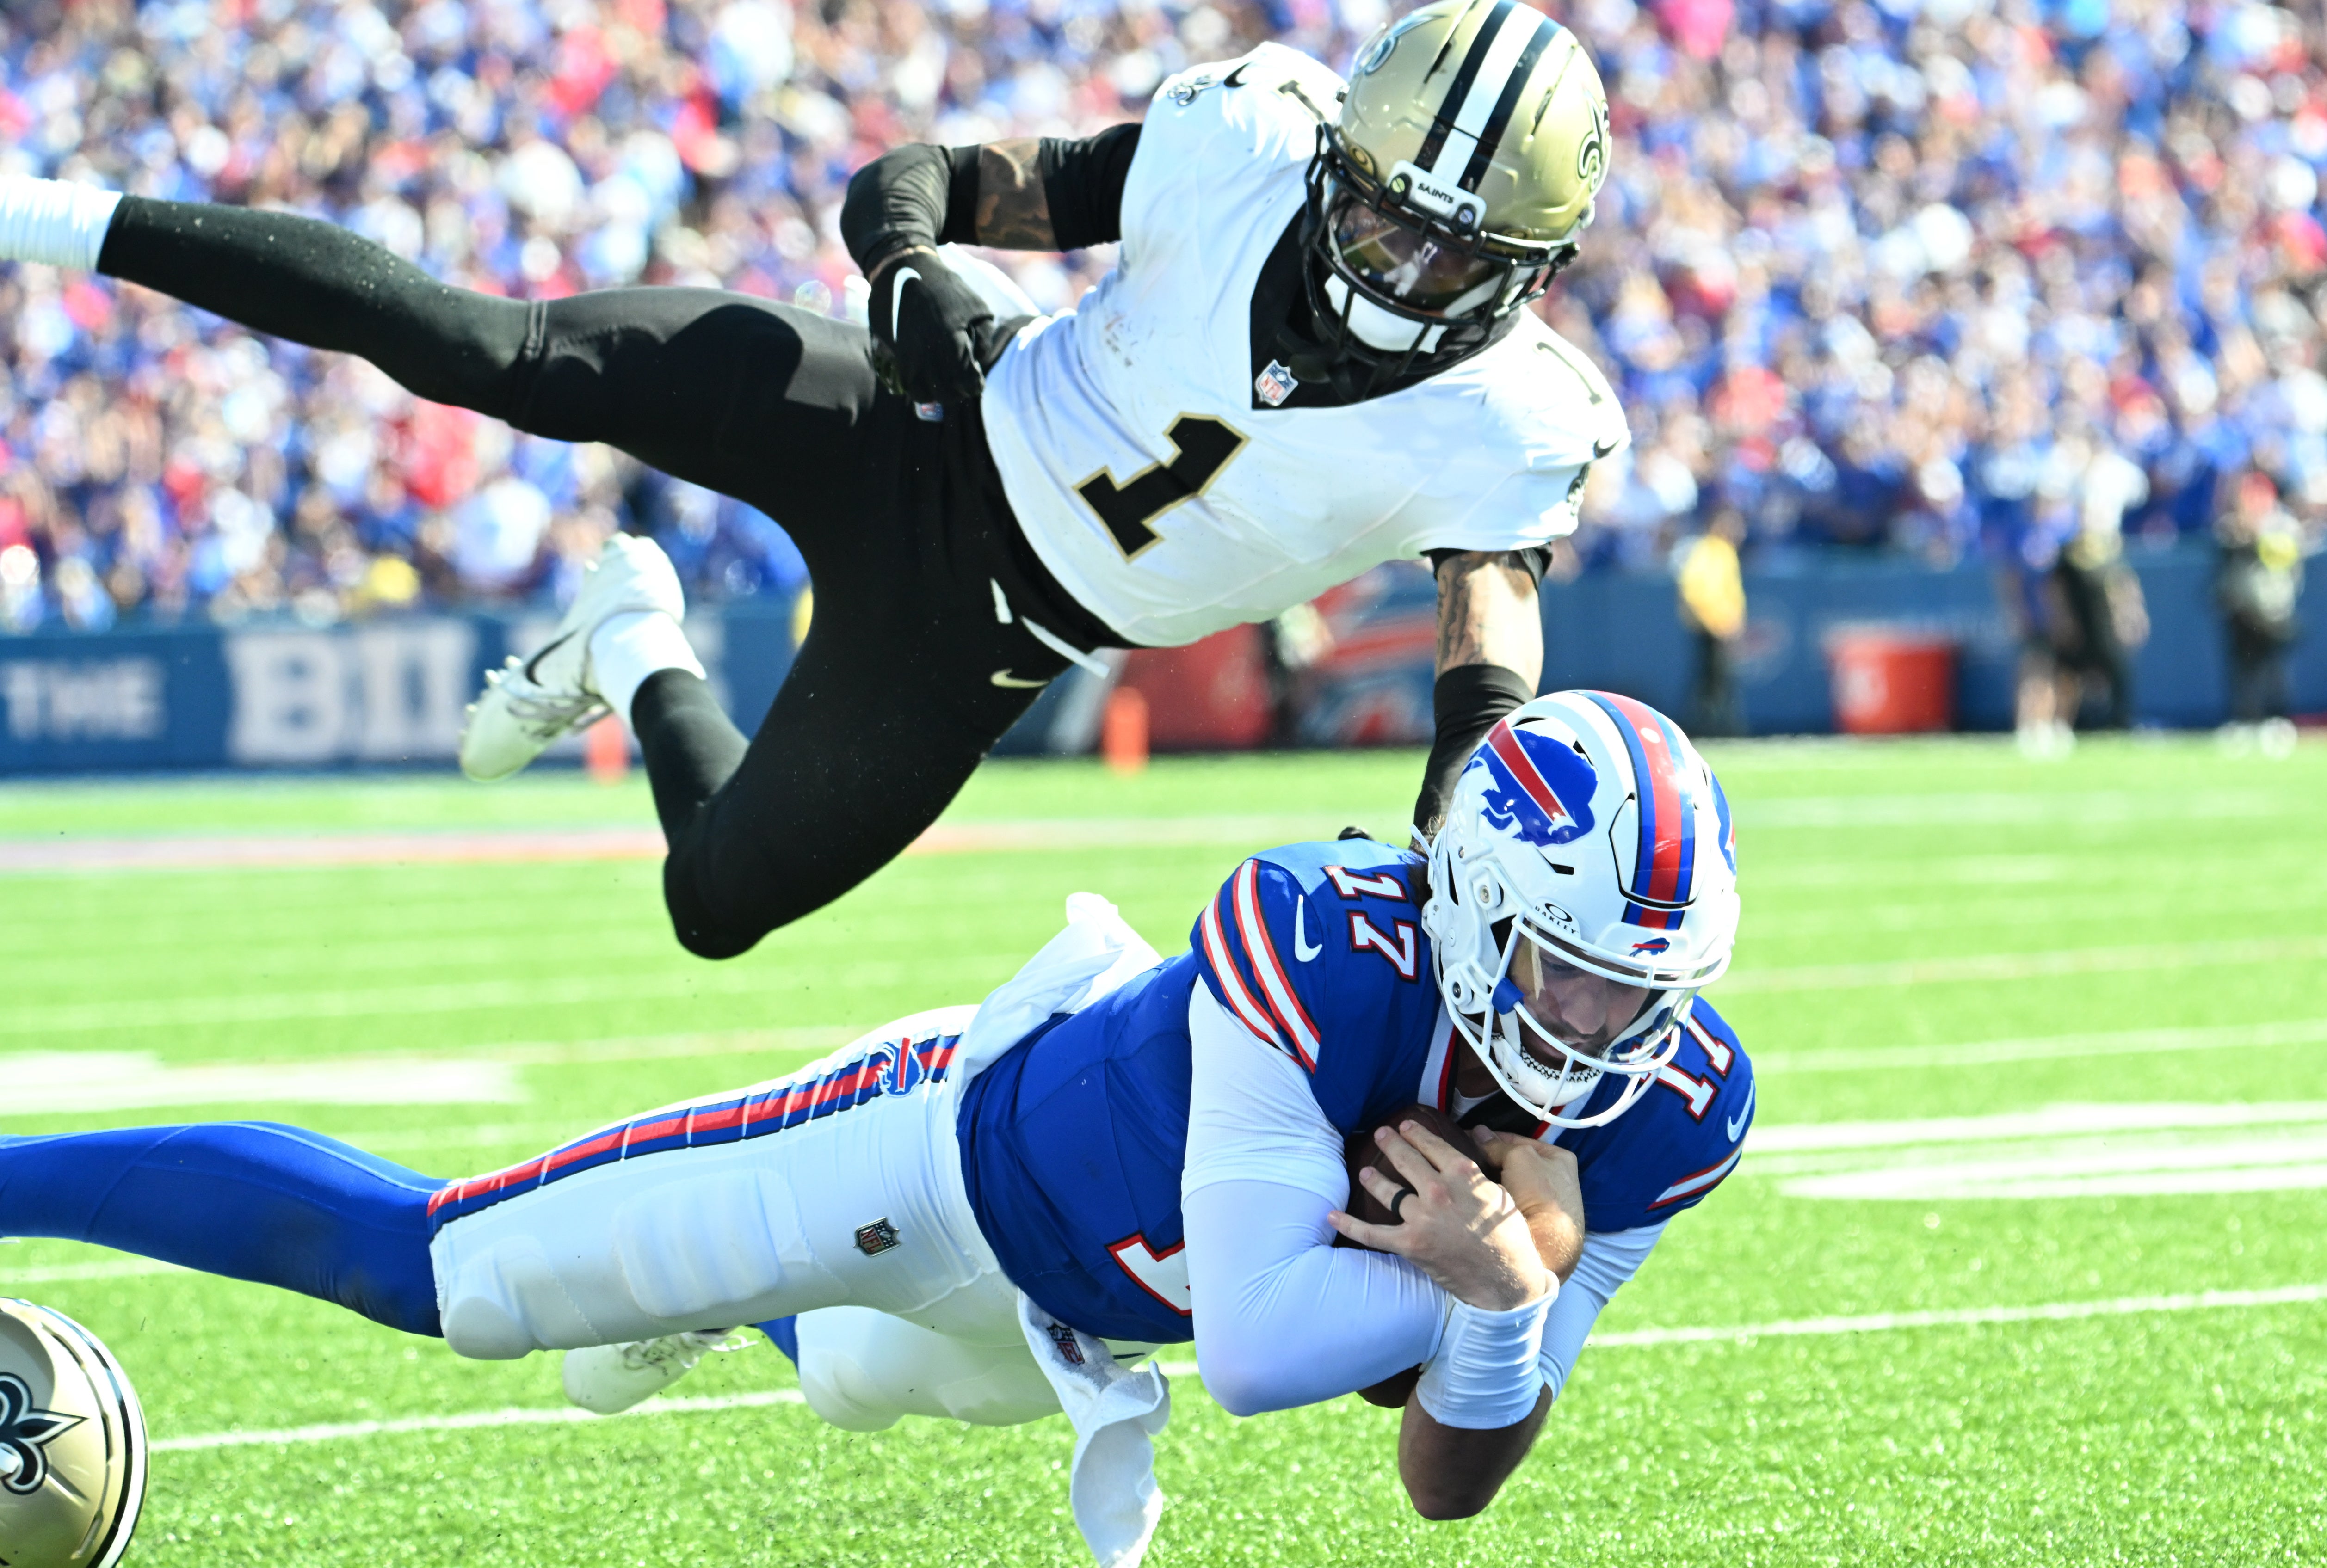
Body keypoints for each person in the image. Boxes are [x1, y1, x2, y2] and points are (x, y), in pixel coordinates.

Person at [0, 692, 1747, 1568]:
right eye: (1578, 974)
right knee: (438, 1269)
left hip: (1063, 1327)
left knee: (839, 1373)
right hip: (919, 1157)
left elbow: (1451, 1474)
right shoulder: (1314, 932)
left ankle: (705, 1304)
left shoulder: (1676, 1105)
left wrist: (1499, 1307)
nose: (1608, 1031)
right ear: (1477, 905)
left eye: (1644, 989)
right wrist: (1495, 1284)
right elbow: (1274, 1346)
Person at [0, 2, 1626, 961]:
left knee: (712, 906)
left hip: (985, 637)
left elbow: (1490, 639)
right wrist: (909, 262)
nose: (1401, 267)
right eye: (1383, 214)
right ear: (1337, 154)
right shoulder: (1241, 140)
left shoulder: (1509, 424)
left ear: (1530, 268)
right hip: (917, 412)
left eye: (1450, 247)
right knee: (488, 351)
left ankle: (630, 639)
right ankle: (44, 211)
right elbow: (926, 180)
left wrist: (1464, 813)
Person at [2214, 472, 2305, 746]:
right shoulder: (2232, 526)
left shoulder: (2281, 525)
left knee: (2273, 668)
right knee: (2243, 668)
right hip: (2243, 608)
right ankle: (2245, 719)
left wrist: (2257, 535)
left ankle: (2277, 720)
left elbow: (2282, 555)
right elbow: (2225, 544)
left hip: (2273, 606)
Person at [1674, 509, 1747, 738]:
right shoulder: (1708, 550)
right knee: (1713, 681)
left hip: (1720, 626)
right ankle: (1716, 729)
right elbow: (1694, 590)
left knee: (1715, 680)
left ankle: (1717, 727)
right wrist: (1715, 621)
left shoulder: (1723, 551)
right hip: (1712, 628)